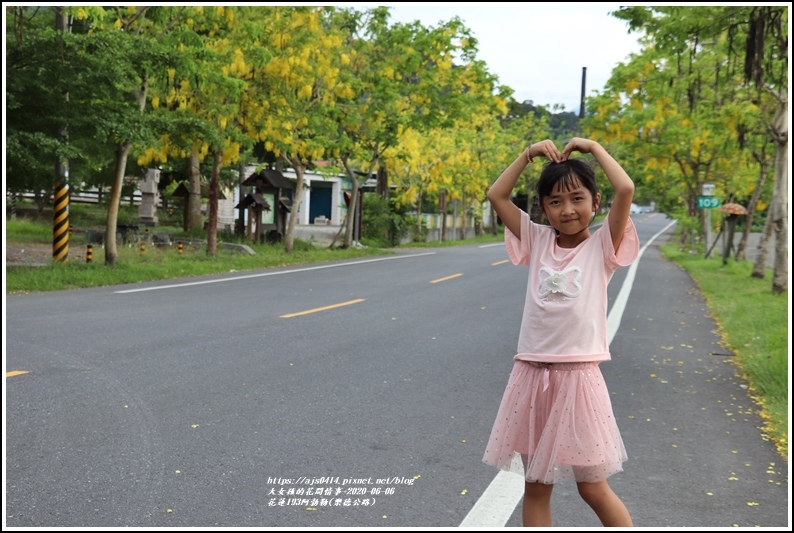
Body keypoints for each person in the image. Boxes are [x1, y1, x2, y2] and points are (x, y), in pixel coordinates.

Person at [482, 138, 638, 527]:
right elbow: (496, 194)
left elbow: (626, 188)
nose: (567, 210)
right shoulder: (535, 240)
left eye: (576, 198)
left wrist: (594, 147)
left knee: (593, 488)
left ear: (595, 202)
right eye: (555, 201)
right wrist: (526, 155)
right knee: (535, 486)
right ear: (543, 209)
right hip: (532, 378)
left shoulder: (603, 245)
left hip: (578, 380)